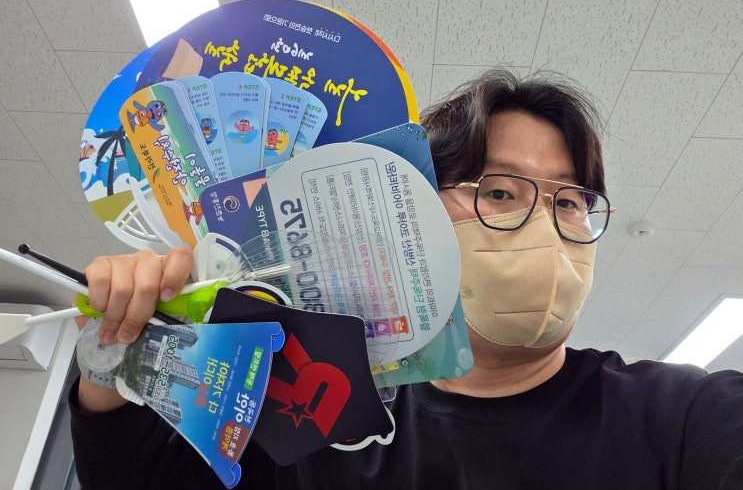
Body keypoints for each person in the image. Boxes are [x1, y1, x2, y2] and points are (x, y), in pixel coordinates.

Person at [70, 68, 743, 489]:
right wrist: (115, 353)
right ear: (418, 211)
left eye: (569, 201)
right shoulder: (318, 409)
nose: (543, 224)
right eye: (500, 192)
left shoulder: (683, 416)